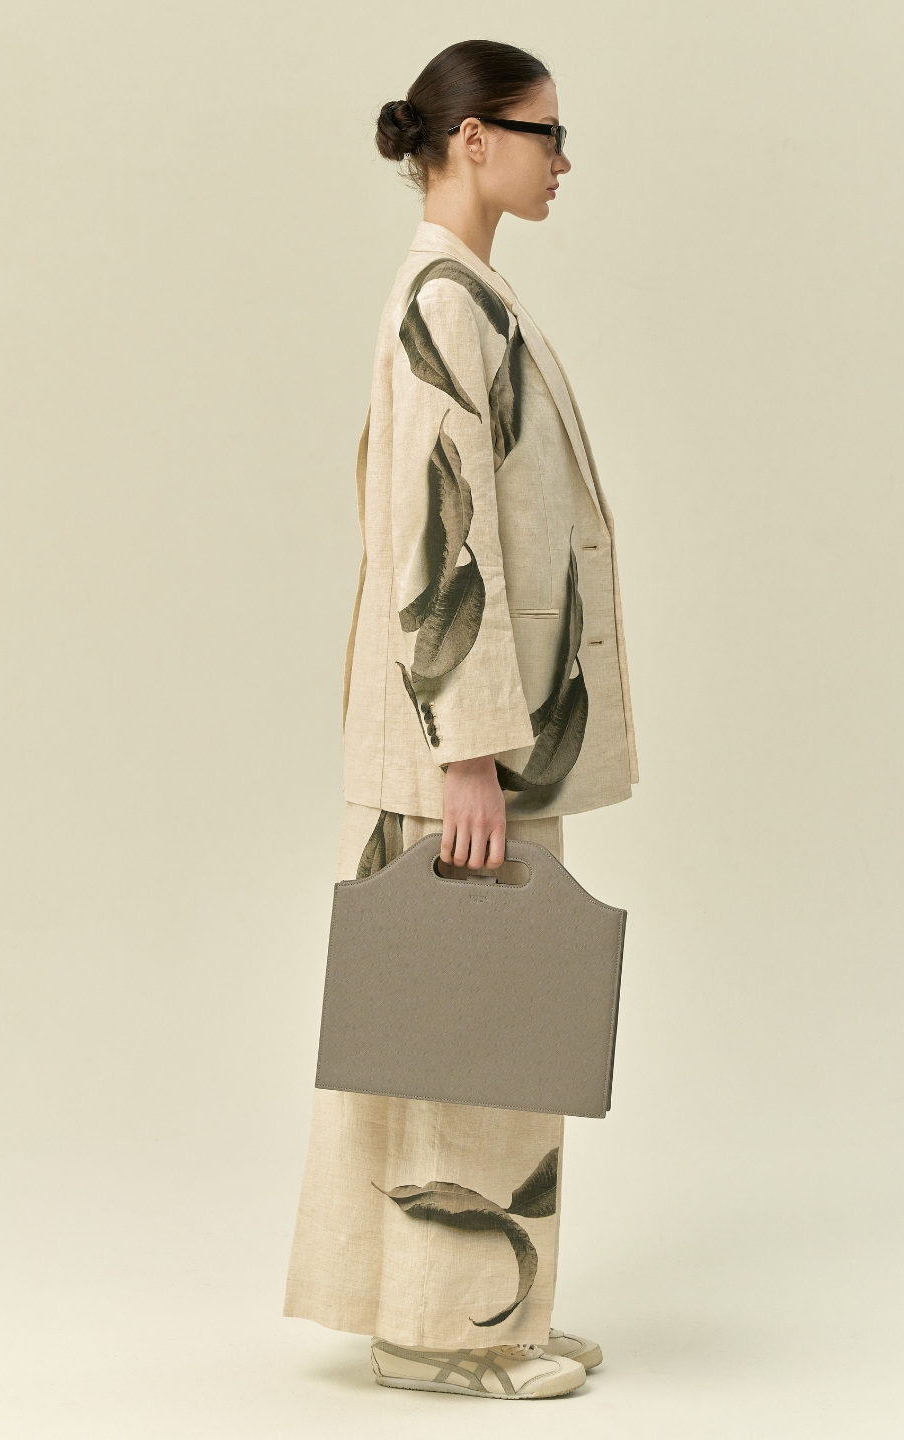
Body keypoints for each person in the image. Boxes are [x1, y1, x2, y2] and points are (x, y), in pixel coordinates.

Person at [284, 38, 638, 1400]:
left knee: (476, 1021)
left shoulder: (464, 294)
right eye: (547, 133)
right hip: (463, 740)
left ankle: (481, 1312)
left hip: (469, 731)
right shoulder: (444, 299)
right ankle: (452, 1334)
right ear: (475, 139)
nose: (564, 160)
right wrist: (470, 752)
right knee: (465, 1032)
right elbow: (446, 542)